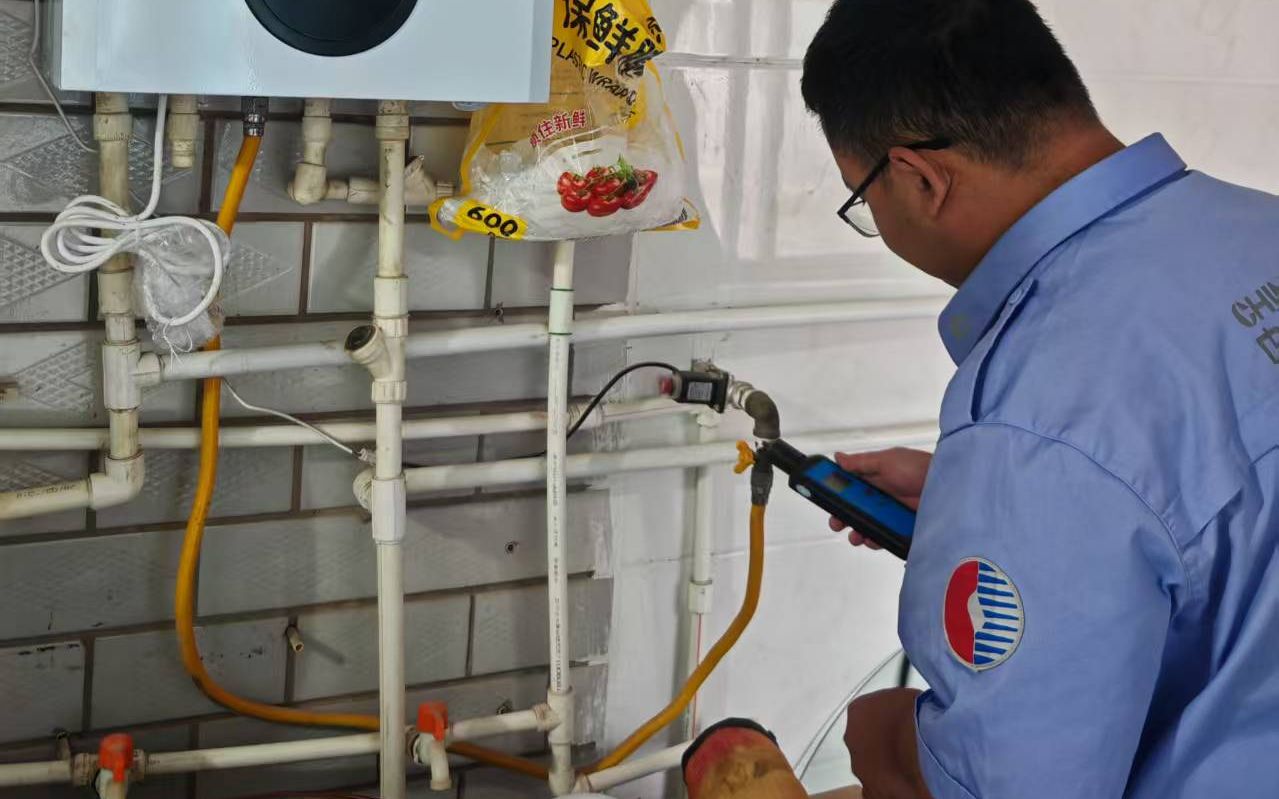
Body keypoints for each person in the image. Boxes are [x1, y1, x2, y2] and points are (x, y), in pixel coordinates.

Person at [800, 0, 1279, 797]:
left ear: (918, 179)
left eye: (862, 198)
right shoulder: (1258, 229)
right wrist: (1006, 508)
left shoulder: (1038, 413)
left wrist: (883, 741)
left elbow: (1011, 781)